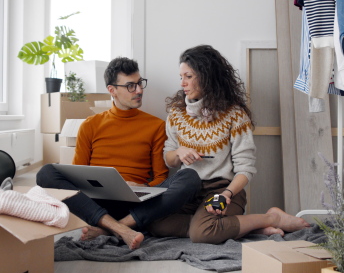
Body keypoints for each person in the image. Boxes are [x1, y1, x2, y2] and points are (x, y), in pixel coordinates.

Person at [148, 45, 310, 244]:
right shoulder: (176, 113)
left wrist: (226, 194)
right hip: (186, 189)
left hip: (223, 189)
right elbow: (169, 159)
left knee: (202, 234)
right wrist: (179, 152)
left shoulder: (234, 115)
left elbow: (245, 168)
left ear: (206, 76)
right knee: (154, 223)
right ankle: (238, 227)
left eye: (188, 76)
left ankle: (271, 217)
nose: (182, 83)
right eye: (181, 77)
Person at [36, 57, 201, 250]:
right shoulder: (90, 125)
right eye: (131, 86)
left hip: (136, 204)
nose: (139, 90)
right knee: (45, 172)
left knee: (190, 177)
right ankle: (119, 228)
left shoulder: (156, 126)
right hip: (96, 204)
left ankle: (111, 229)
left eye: (140, 83)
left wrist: (139, 186)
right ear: (112, 90)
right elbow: (77, 175)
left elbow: (160, 178)